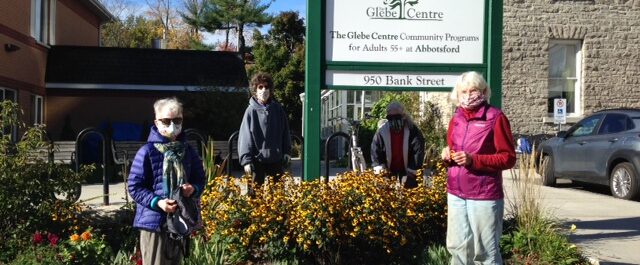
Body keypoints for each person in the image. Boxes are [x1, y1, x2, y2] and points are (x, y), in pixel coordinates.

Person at [441, 71, 516, 264]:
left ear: (483, 91)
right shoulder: (456, 119)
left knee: (485, 252)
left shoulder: (496, 117)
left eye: (473, 90)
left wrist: (473, 160)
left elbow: (508, 158)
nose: (468, 95)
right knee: (457, 248)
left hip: (483, 195)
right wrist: (447, 155)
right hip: (456, 193)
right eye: (463, 91)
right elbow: (453, 150)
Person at [128, 97, 205, 265]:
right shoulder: (147, 151)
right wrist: (158, 202)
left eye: (177, 120)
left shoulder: (188, 150)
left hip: (179, 221)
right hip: (155, 222)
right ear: (157, 122)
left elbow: (200, 179)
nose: (172, 125)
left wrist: (193, 189)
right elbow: (134, 187)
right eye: (166, 121)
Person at [238, 72, 291, 185]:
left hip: (275, 158)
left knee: (278, 195)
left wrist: (286, 151)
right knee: (255, 196)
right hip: (257, 160)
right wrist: (246, 160)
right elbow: (245, 137)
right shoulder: (250, 111)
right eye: (260, 87)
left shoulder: (278, 110)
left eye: (266, 87)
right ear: (255, 90)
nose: (263, 90)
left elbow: (285, 132)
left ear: (270, 90)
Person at [371, 101, 425, 188]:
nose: (393, 120)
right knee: (383, 194)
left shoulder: (413, 130)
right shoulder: (381, 132)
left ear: (403, 116)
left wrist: (412, 172)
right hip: (387, 169)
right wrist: (381, 171)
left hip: (409, 168)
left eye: (397, 117)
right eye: (390, 117)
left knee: (411, 193)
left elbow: (418, 152)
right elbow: (376, 152)